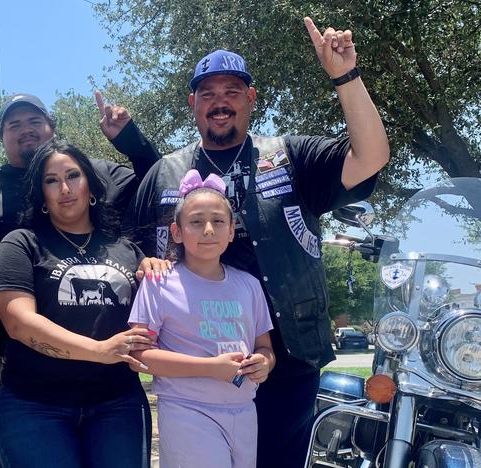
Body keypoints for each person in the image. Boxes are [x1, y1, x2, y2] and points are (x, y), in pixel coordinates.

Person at [125, 17, 390, 468]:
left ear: (251, 99)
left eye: (231, 91)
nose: (219, 102)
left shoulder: (292, 156)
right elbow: (128, 245)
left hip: (286, 356)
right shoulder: (163, 173)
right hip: (194, 370)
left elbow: (371, 158)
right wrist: (143, 260)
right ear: (193, 104)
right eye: (207, 93)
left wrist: (345, 76)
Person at [0, 91, 161, 443]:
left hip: (109, 384)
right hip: (11, 362)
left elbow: (156, 185)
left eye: (34, 121)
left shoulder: (94, 170)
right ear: (2, 137)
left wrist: (131, 140)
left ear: (52, 129)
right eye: (14, 124)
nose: (64, 189)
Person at [129, 169, 275, 468]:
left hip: (245, 409)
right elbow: (139, 355)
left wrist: (264, 364)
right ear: (177, 232)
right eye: (196, 222)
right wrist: (211, 368)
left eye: (219, 221)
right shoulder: (159, 282)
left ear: (232, 230)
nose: (208, 230)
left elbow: (265, 347)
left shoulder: (249, 285)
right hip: (187, 410)